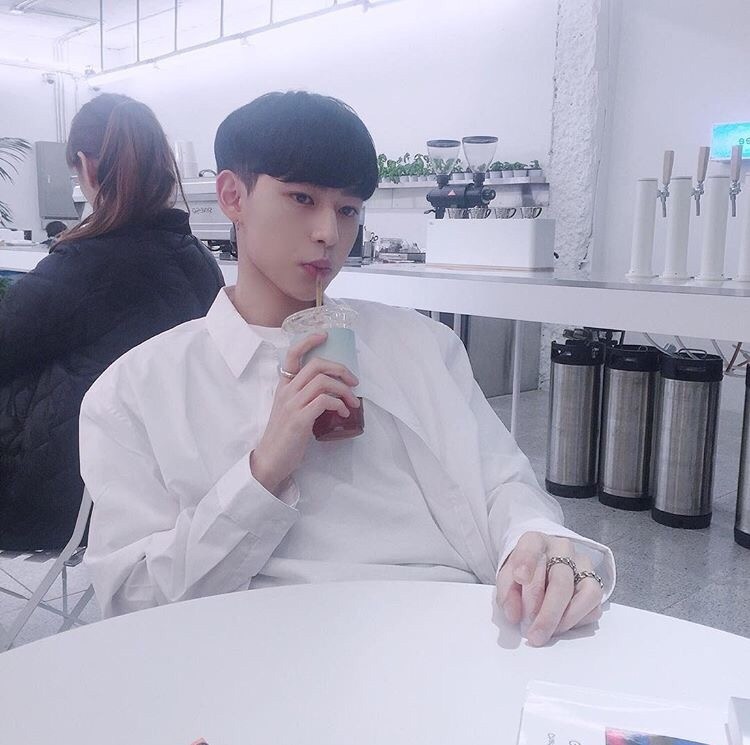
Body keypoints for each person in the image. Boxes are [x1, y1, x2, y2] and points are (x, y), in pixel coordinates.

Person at [80, 91, 615, 646]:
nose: (329, 234)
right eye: (302, 198)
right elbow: (131, 602)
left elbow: (501, 481)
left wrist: (533, 537)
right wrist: (262, 473)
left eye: (348, 209)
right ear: (233, 196)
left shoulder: (420, 345)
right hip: (255, 652)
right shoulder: (138, 391)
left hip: (443, 634)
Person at [0, 93, 225, 550]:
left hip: (64, 497)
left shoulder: (78, 267)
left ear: (85, 167)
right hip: (176, 488)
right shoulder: (200, 264)